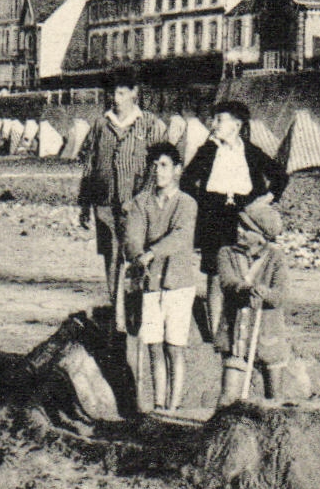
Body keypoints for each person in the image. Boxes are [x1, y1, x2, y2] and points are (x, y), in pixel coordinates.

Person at [181, 100, 287, 339]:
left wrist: (264, 201)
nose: (214, 124)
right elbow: (186, 181)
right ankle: (215, 332)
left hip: (244, 221)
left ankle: (243, 329)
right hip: (213, 217)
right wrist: (204, 203)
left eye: (220, 120)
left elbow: (280, 175)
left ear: (236, 125)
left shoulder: (250, 151)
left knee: (245, 273)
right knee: (215, 274)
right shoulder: (207, 150)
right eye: (214, 119)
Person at [77, 69, 169, 333]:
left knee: (138, 258)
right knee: (111, 258)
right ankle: (116, 316)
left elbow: (160, 166)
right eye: (112, 93)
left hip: (137, 206)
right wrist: (85, 202)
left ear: (133, 93)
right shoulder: (100, 125)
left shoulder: (150, 124)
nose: (115, 98)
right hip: (104, 204)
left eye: (121, 92)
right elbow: (89, 164)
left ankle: (138, 315)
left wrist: (143, 199)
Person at [124, 143, 197, 412]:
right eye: (154, 166)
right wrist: (137, 255)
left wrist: (151, 252)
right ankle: (157, 404)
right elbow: (133, 237)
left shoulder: (187, 204)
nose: (158, 171)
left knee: (174, 348)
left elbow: (180, 236)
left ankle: (173, 406)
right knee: (154, 347)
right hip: (150, 285)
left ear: (177, 170)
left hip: (178, 284)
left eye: (164, 165)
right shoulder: (140, 202)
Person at [214, 202, 293, 406]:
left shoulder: (276, 257)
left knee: (274, 401)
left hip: (268, 337)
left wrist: (265, 293)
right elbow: (227, 282)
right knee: (227, 400)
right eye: (239, 225)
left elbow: (281, 295)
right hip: (236, 337)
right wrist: (246, 289)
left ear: (261, 235)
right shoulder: (226, 253)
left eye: (246, 229)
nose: (239, 231)